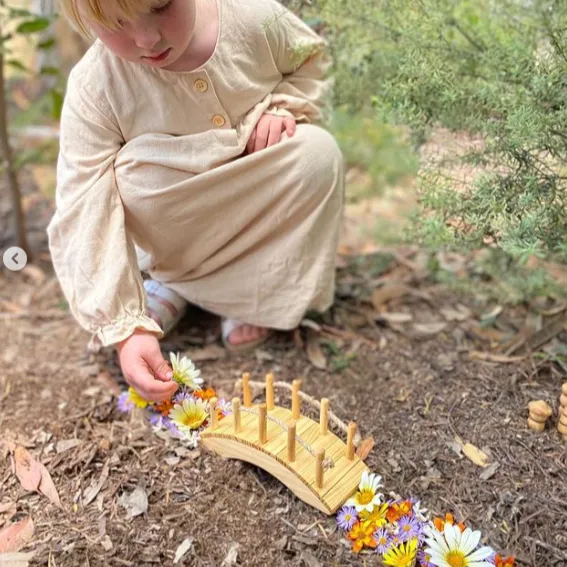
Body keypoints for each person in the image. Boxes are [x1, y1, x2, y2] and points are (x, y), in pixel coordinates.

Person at [47, 0, 345, 402]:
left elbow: (312, 62)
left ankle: (249, 293)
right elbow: (82, 202)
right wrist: (124, 327)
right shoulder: (96, 87)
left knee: (315, 154)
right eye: (116, 24)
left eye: (161, 6)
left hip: (254, 204)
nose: (147, 38)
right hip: (179, 237)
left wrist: (282, 106)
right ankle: (174, 282)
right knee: (134, 179)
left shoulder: (252, 17)